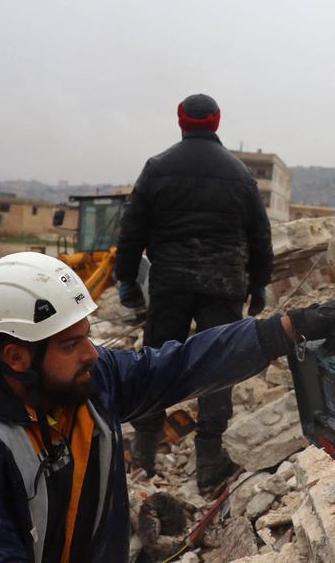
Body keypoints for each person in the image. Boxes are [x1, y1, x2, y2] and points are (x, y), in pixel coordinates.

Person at [0, 252, 335, 563]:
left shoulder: (77, 379)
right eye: (72, 344)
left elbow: (173, 368)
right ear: (16, 356)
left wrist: (283, 329)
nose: (92, 353)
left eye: (86, 337)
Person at [114, 93, 274, 490]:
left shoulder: (157, 168)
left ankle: (143, 456)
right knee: (218, 362)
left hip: (170, 283)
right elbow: (260, 237)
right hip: (224, 284)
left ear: (180, 121)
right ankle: (209, 461)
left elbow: (131, 230)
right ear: (217, 121)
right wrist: (259, 284)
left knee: (156, 362)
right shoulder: (239, 174)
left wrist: (128, 282)